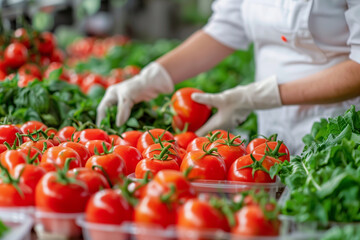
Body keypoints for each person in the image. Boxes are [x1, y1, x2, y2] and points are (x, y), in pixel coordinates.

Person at [97, 0, 360, 155]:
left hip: (343, 133)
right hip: (270, 135)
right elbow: (226, 27)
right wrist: (151, 78)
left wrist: (261, 96)